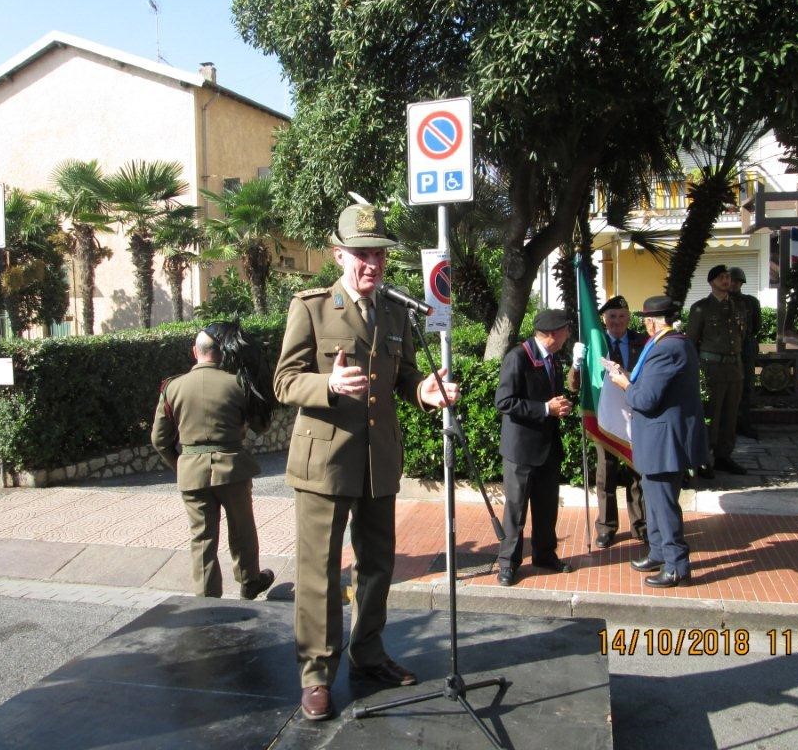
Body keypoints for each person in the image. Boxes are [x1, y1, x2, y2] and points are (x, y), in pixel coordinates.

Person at [273, 202, 459, 722]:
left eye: (378, 254)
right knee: (319, 571)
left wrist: (423, 390)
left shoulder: (396, 311)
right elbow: (283, 382)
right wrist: (328, 384)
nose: (371, 263)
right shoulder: (311, 307)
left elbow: (404, 376)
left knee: (377, 565)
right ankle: (316, 674)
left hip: (379, 461)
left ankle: (369, 652)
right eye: (361, 254)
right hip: (325, 463)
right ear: (339, 255)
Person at [151, 322, 277, 602]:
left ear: (194, 351)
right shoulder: (238, 384)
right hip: (233, 469)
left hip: (191, 472)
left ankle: (207, 599)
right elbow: (262, 426)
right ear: (222, 353)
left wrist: (182, 465)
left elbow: (159, 440)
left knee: (202, 539)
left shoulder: (172, 388)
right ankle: (249, 582)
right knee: (242, 530)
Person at [608, 296, 709, 588]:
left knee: (663, 505)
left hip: (663, 441)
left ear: (652, 322)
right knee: (653, 500)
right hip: (657, 438)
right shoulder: (672, 343)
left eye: (645, 322)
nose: (644, 326)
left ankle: (677, 567)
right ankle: (658, 552)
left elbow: (645, 399)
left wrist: (624, 384)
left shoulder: (667, 348)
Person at [494, 308, 574, 587]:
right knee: (516, 510)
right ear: (552, 334)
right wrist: (545, 408)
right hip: (521, 450)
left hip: (548, 447)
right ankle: (508, 563)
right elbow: (504, 402)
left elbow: (549, 398)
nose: (568, 335)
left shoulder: (553, 357)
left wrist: (560, 406)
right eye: (565, 330)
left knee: (547, 507)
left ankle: (544, 555)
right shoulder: (518, 357)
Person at [567, 295, 647, 549]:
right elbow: (574, 386)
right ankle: (606, 527)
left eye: (622, 316)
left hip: (635, 417)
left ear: (629, 318)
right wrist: (576, 365)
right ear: (603, 318)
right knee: (606, 476)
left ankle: (641, 525)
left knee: (638, 475)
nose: (617, 321)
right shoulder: (595, 344)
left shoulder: (642, 342)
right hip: (606, 421)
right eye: (612, 316)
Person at [686, 265, 747, 476]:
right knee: (710, 414)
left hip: (734, 368)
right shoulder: (701, 308)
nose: (726, 280)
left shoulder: (738, 306)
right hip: (711, 369)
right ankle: (704, 458)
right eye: (721, 277)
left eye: (727, 277)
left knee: (730, 416)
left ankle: (723, 456)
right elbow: (691, 341)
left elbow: (744, 335)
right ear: (712, 282)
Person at [728, 266, 761, 441]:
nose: (734, 284)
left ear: (742, 283)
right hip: (727, 350)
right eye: (732, 280)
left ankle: (745, 423)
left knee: (746, 388)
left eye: (737, 281)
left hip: (746, 349)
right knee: (728, 388)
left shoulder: (751, 302)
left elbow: (756, 326)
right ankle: (729, 425)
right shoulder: (720, 301)